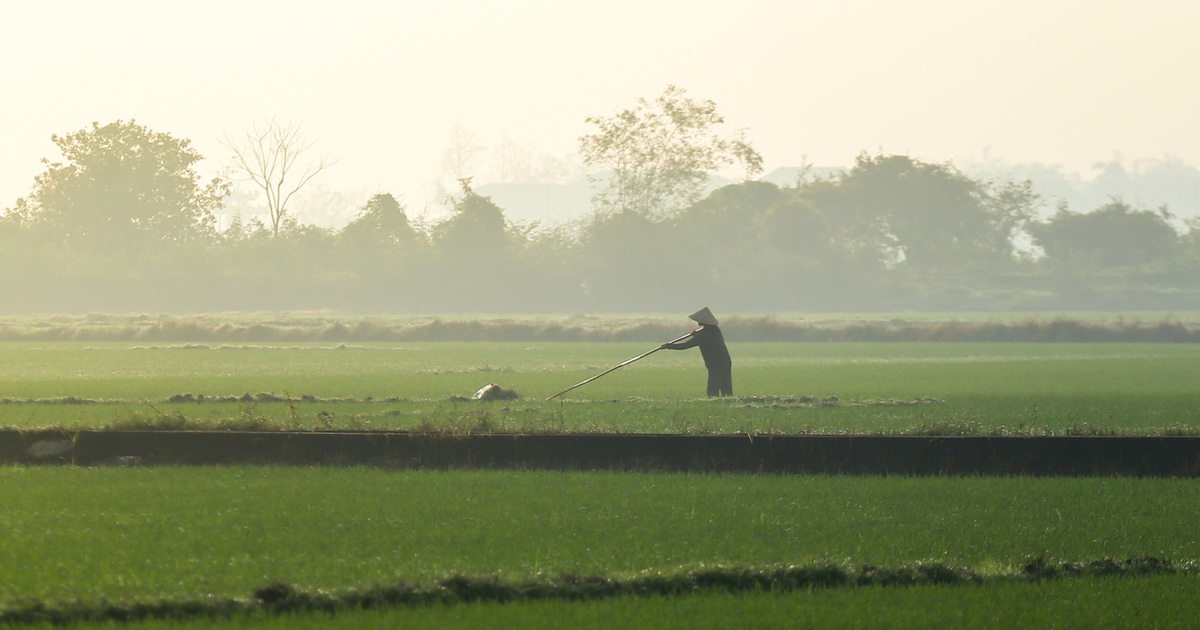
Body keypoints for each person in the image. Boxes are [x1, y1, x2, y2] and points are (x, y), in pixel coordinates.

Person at [660, 307, 733, 397]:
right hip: (725, 361)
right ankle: (727, 401)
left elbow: (685, 345)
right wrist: (695, 335)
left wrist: (669, 346)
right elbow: (702, 337)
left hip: (716, 363)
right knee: (725, 386)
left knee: (713, 387)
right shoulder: (715, 330)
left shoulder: (704, 334)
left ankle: (715, 401)